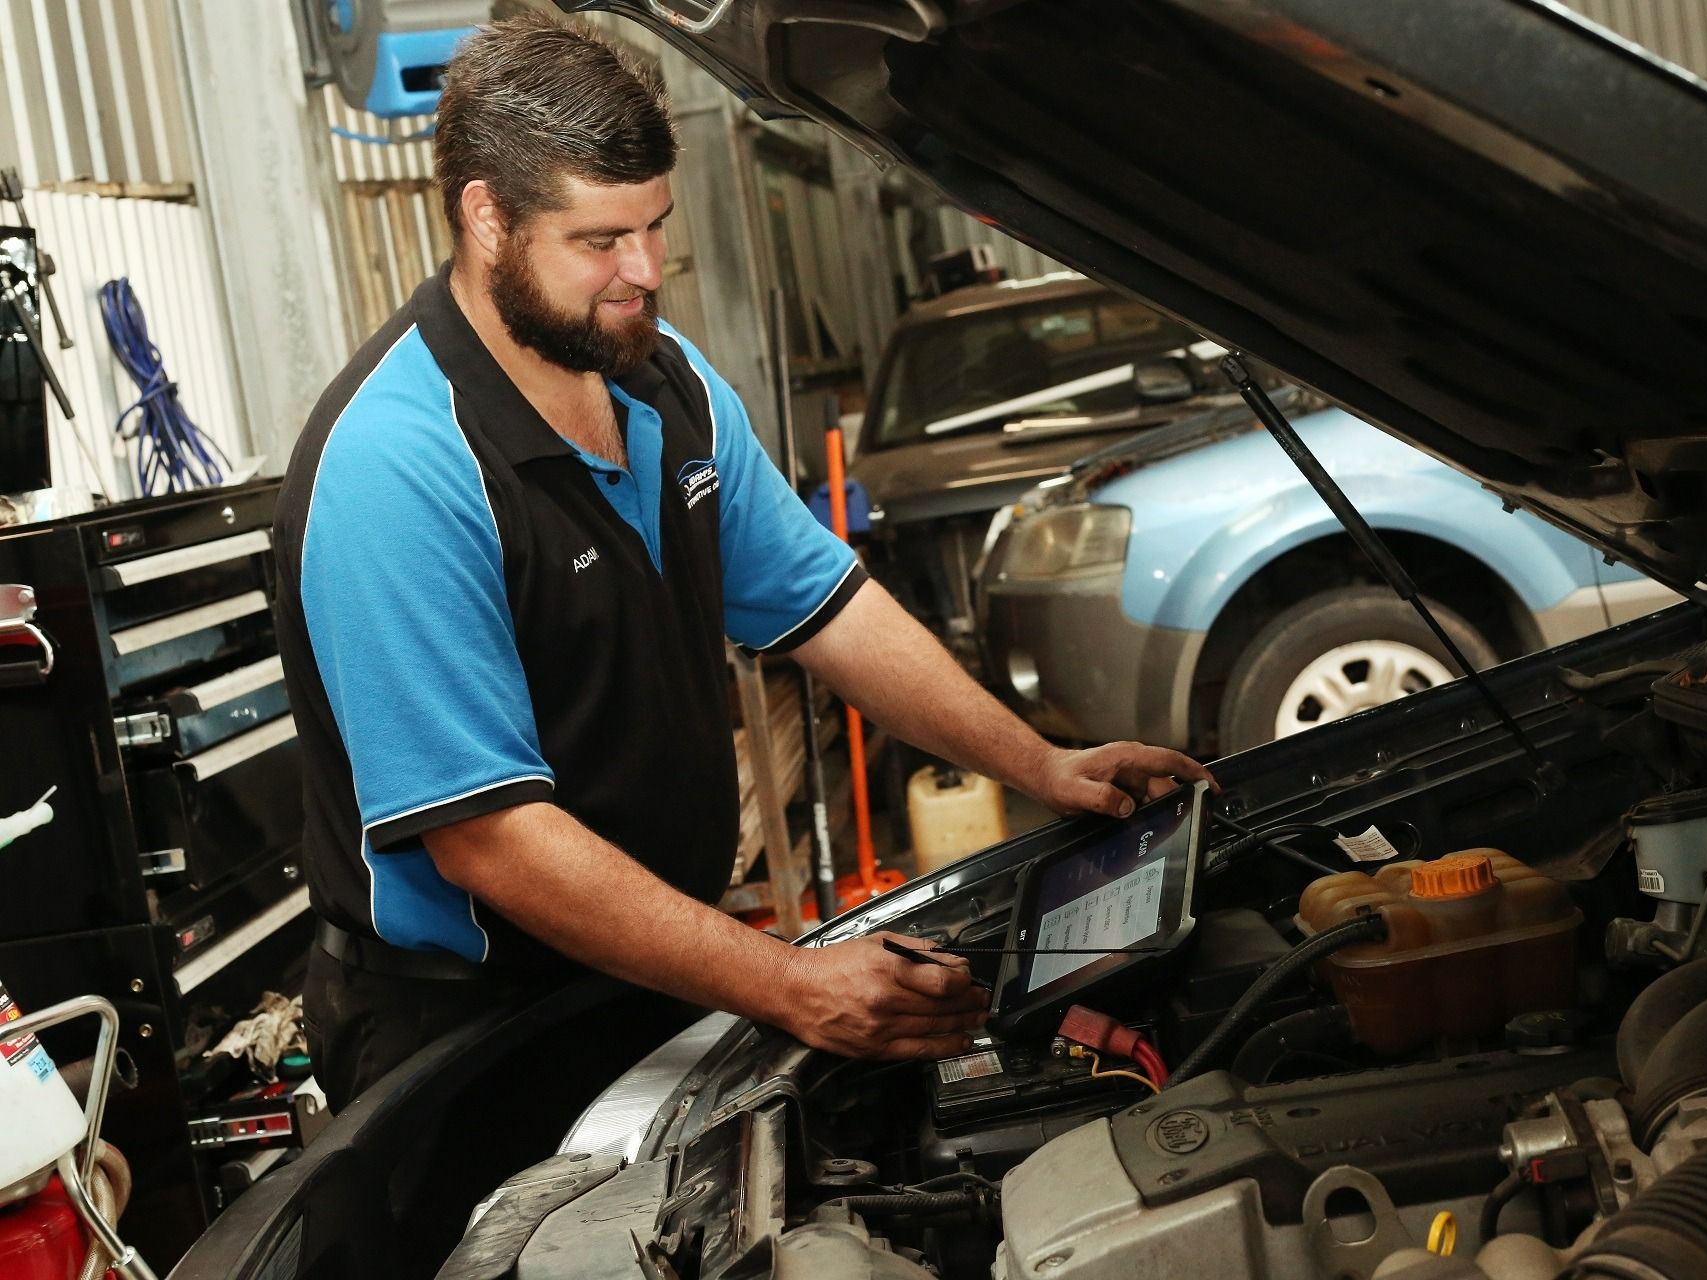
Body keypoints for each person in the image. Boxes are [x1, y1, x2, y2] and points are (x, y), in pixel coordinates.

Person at [272, 12, 1213, 1109]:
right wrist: (789, 981)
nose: (646, 271)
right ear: (486, 215)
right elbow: (492, 840)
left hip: (655, 958)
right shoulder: (397, 469)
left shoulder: (661, 380)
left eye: (658, 226)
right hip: (464, 1033)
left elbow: (828, 606)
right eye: (600, 240)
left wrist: (1040, 763)